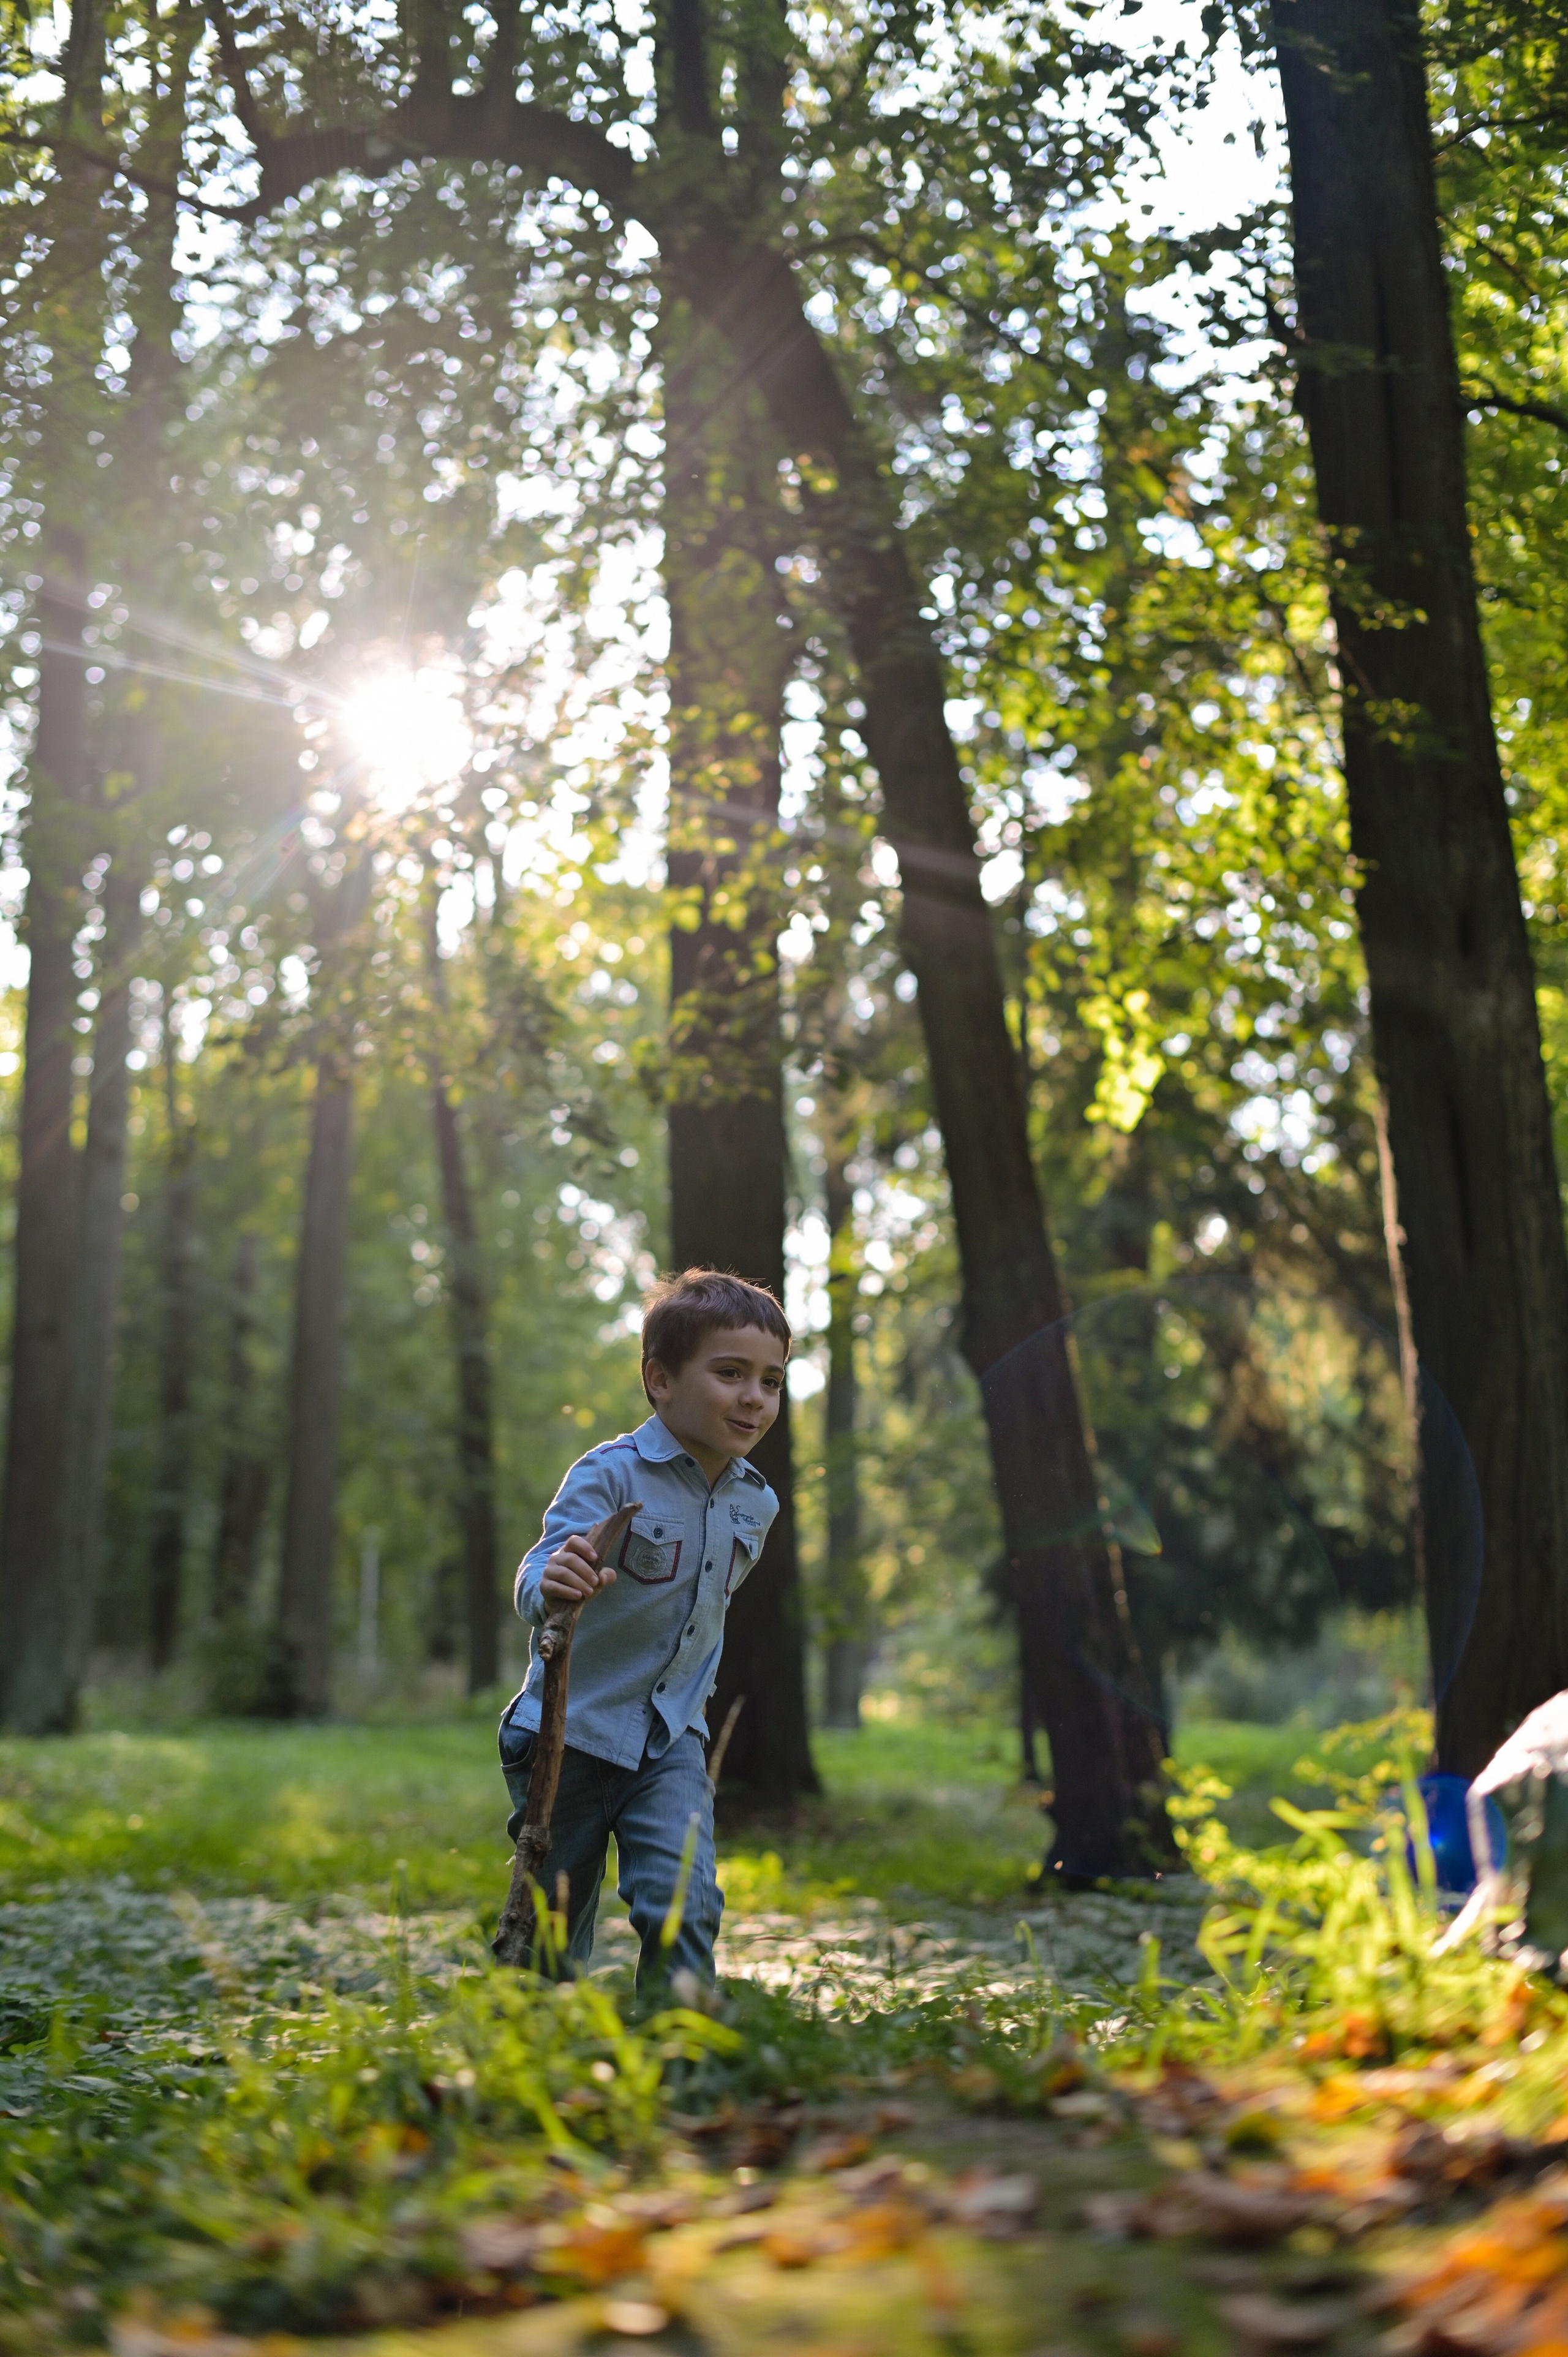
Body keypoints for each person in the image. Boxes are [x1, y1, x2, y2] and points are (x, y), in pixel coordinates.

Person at [498, 1267, 788, 1988]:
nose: (754, 1396)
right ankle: (530, 2054)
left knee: (685, 1902)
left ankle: (679, 2053)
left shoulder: (758, 1504)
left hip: (670, 1738)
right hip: (569, 1738)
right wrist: (553, 1583)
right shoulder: (610, 1475)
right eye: (730, 1373)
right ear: (660, 1379)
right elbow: (538, 1569)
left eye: (771, 1381)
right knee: (552, 1931)